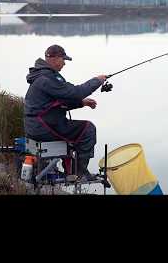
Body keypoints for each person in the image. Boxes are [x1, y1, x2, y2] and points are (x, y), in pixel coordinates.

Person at [24, 44, 107, 180]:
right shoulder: (47, 79)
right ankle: (80, 173)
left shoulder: (41, 76)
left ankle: (71, 172)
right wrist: (97, 81)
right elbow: (75, 92)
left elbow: (55, 104)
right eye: (63, 60)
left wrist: (81, 103)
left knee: (75, 131)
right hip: (45, 127)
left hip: (36, 126)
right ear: (55, 58)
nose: (64, 64)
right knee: (88, 129)